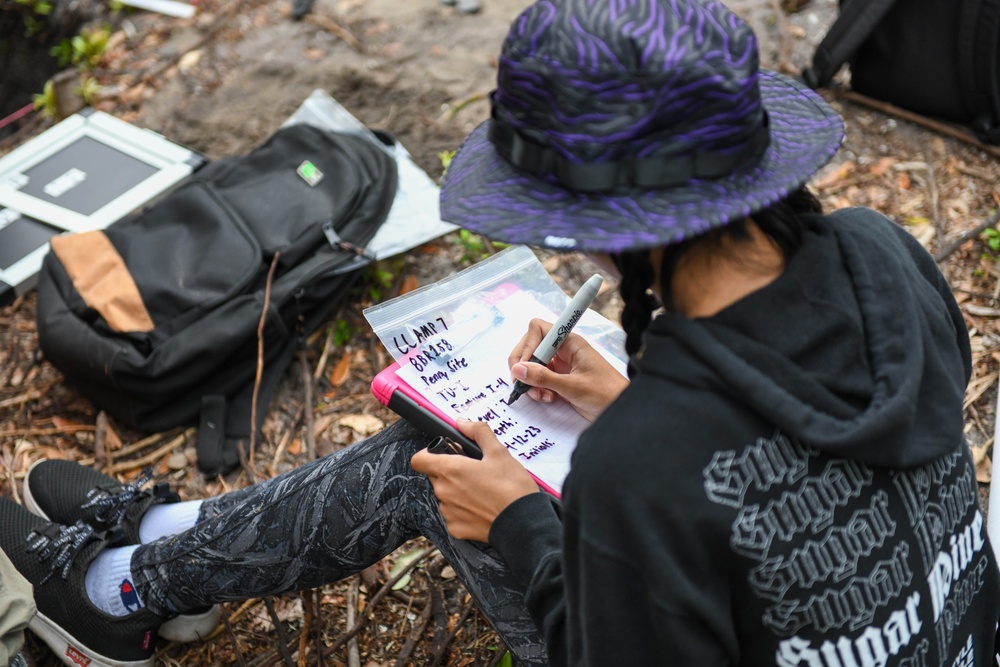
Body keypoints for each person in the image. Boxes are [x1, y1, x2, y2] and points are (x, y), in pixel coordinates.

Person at [1, 0, 998, 665]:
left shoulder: (644, 468)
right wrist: (628, 399)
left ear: (607, 236)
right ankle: (166, 552)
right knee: (453, 450)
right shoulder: (880, 255)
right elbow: (823, 447)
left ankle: (128, 586)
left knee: (432, 463)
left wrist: (518, 523)